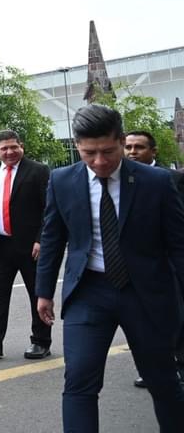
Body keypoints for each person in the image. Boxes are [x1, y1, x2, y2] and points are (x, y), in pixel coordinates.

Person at [36, 104, 184, 432]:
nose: (99, 162)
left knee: (163, 382)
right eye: (89, 153)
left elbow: (178, 245)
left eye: (108, 151)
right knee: (79, 383)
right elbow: (51, 237)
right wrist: (43, 291)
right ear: (77, 146)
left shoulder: (156, 182)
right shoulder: (62, 181)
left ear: (121, 142)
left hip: (145, 293)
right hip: (89, 292)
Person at [0, 129, 53, 360]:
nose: (9, 152)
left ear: (21, 146)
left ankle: (41, 341)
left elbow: (49, 209)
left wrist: (41, 239)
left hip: (31, 248)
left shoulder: (38, 171)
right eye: (4, 148)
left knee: (37, 294)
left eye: (13, 147)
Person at [122, 129, 184, 389]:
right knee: (145, 320)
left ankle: (179, 367)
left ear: (153, 151)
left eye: (139, 147)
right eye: (129, 147)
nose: (133, 152)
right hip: (136, 263)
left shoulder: (174, 179)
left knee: (177, 316)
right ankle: (152, 368)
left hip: (170, 260)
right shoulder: (118, 180)